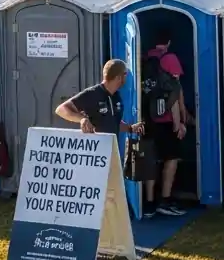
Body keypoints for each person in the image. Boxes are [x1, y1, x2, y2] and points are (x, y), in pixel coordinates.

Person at [142, 31, 189, 218]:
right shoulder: (170, 59)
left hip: (146, 119)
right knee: (172, 159)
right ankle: (165, 200)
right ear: (168, 42)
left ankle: (149, 203)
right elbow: (175, 92)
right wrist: (181, 121)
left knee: (151, 160)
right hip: (166, 120)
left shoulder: (145, 59)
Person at [55, 59, 143, 135]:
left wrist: (130, 128)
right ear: (118, 77)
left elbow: (112, 123)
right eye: (125, 74)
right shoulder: (93, 93)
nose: (127, 77)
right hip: (96, 150)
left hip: (111, 149)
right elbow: (61, 109)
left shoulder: (116, 96)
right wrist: (82, 119)